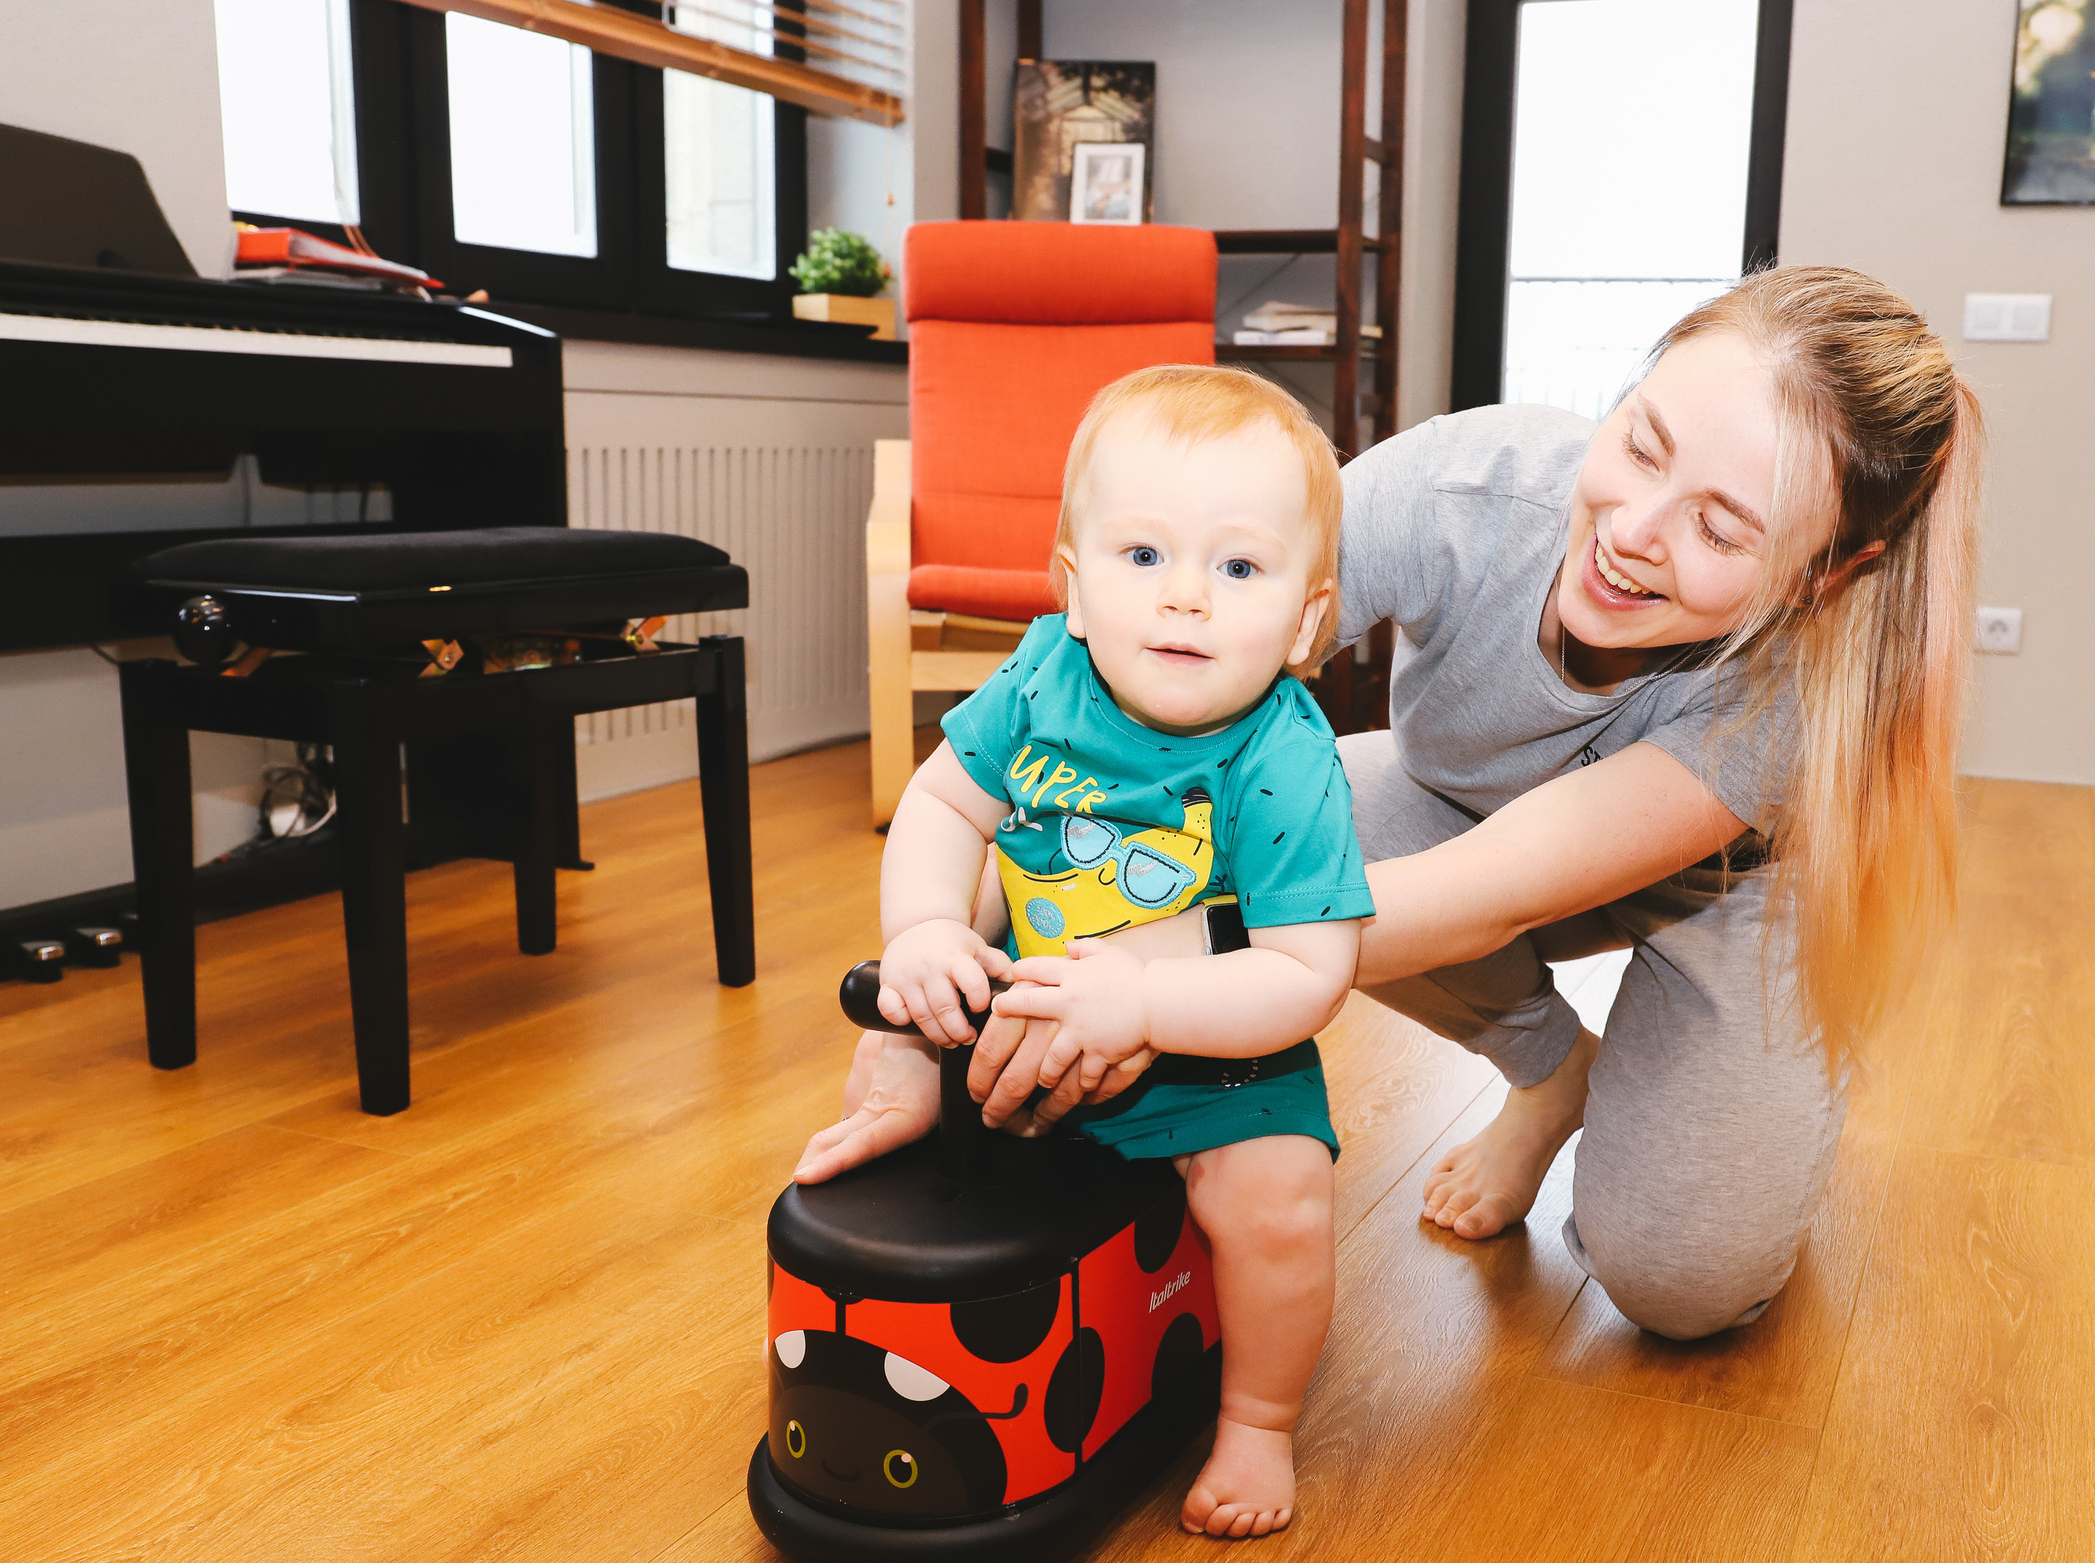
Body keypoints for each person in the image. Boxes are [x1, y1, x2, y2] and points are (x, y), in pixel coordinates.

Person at [806, 263, 1978, 1352]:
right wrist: (916, 1020)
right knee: (1282, 831)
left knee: (1679, 1280)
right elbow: (1069, 746)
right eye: (1640, 443)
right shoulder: (1464, 491)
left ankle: (1747, 1111)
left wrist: (1140, 977)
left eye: (1720, 528)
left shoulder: (1795, 693)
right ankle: (1551, 1072)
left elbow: (1485, 893)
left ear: (1827, 575)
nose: (1631, 532)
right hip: (1451, 809)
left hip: (1722, 900)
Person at [799, 365, 1372, 1539]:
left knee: (1279, 1202)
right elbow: (943, 802)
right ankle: (901, 1112)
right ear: (1071, 588)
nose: (1185, 600)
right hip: (1028, 1016)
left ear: (1306, 622)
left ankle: (1257, 1420)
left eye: (1239, 568)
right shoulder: (1041, 675)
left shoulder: (1285, 758)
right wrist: (924, 929)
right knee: (903, 1021)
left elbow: (1308, 975)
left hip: (1214, 1057)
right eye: (1144, 555)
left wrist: (1151, 1005)